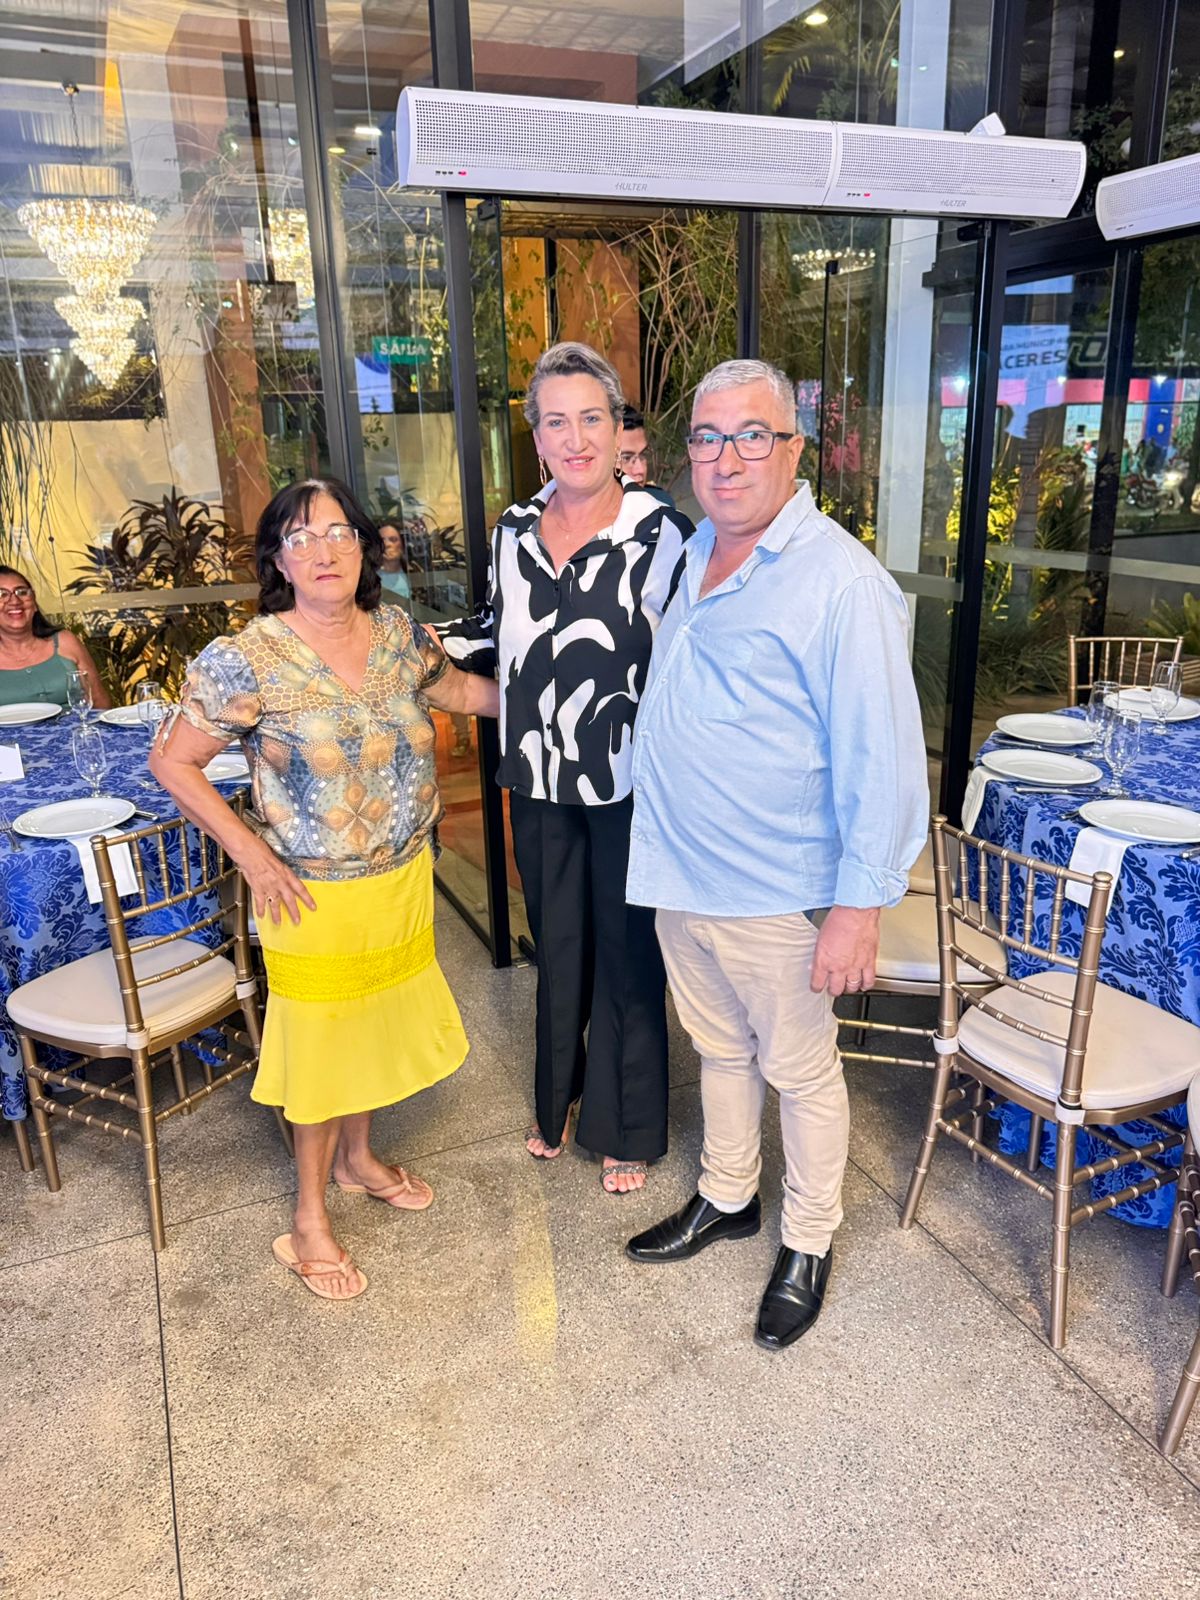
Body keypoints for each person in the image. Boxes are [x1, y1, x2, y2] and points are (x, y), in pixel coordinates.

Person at [624, 359, 927, 1348]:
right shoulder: (693, 551)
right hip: (682, 870)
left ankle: (807, 1239)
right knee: (718, 1049)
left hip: (776, 888)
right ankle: (728, 1196)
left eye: (752, 435)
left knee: (799, 1070)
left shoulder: (842, 581)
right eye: (708, 437)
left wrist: (858, 907)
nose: (726, 458)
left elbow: (883, 756)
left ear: (794, 449)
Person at [150, 477, 498, 1301]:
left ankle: (358, 1160)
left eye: (338, 532)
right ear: (278, 560)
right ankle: (308, 1217)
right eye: (300, 538)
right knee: (318, 1053)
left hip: (400, 878)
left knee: (370, 1028)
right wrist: (252, 857)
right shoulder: (247, 657)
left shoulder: (398, 634)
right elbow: (172, 761)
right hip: (307, 894)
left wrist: (572, 701)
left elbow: (461, 692)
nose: (323, 551)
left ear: (364, 546)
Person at [436, 342, 692, 1193]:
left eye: (591, 418)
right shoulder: (512, 530)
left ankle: (627, 1124)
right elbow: (493, 630)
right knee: (559, 947)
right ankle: (560, 1101)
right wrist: (416, 646)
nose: (575, 438)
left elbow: (692, 656)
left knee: (626, 951)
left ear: (619, 430)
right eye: (556, 422)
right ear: (537, 436)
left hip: (629, 783)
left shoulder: (662, 533)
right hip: (538, 778)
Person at [0, 565, 111, 710]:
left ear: (34, 603)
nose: (14, 601)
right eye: (2, 594)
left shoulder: (65, 642)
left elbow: (99, 701)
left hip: (75, 725)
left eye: (21, 592)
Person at [378, 520, 412, 603]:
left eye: (393, 539)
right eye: (382, 540)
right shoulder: (370, 577)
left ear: (402, 544)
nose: (387, 544)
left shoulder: (414, 572)